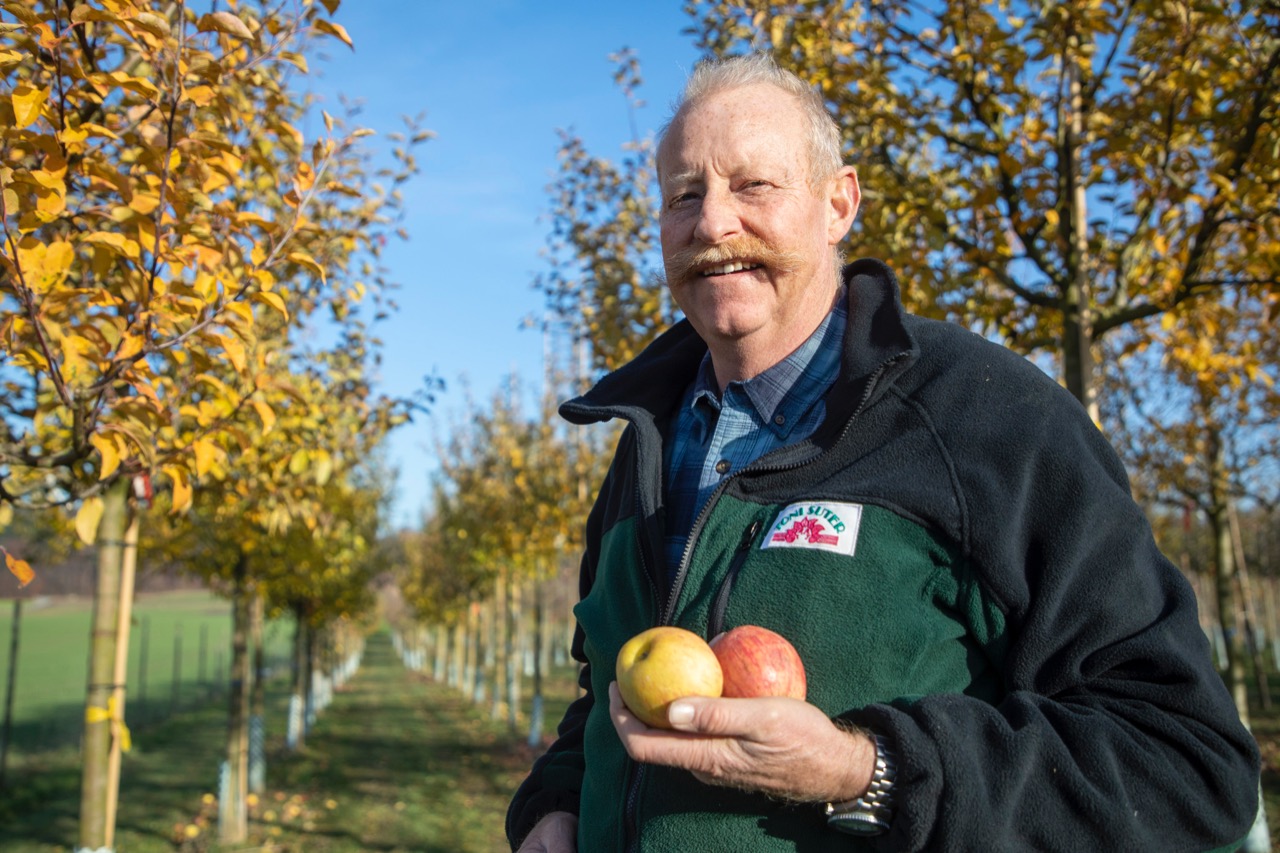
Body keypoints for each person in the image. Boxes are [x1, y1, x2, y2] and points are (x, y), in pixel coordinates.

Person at [506, 53, 1260, 852]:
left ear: (839, 204)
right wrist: (554, 805)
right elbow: (603, 686)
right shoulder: (647, 438)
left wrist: (865, 769)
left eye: (753, 185)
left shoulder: (989, 421)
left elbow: (1185, 760)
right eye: (683, 195)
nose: (712, 222)